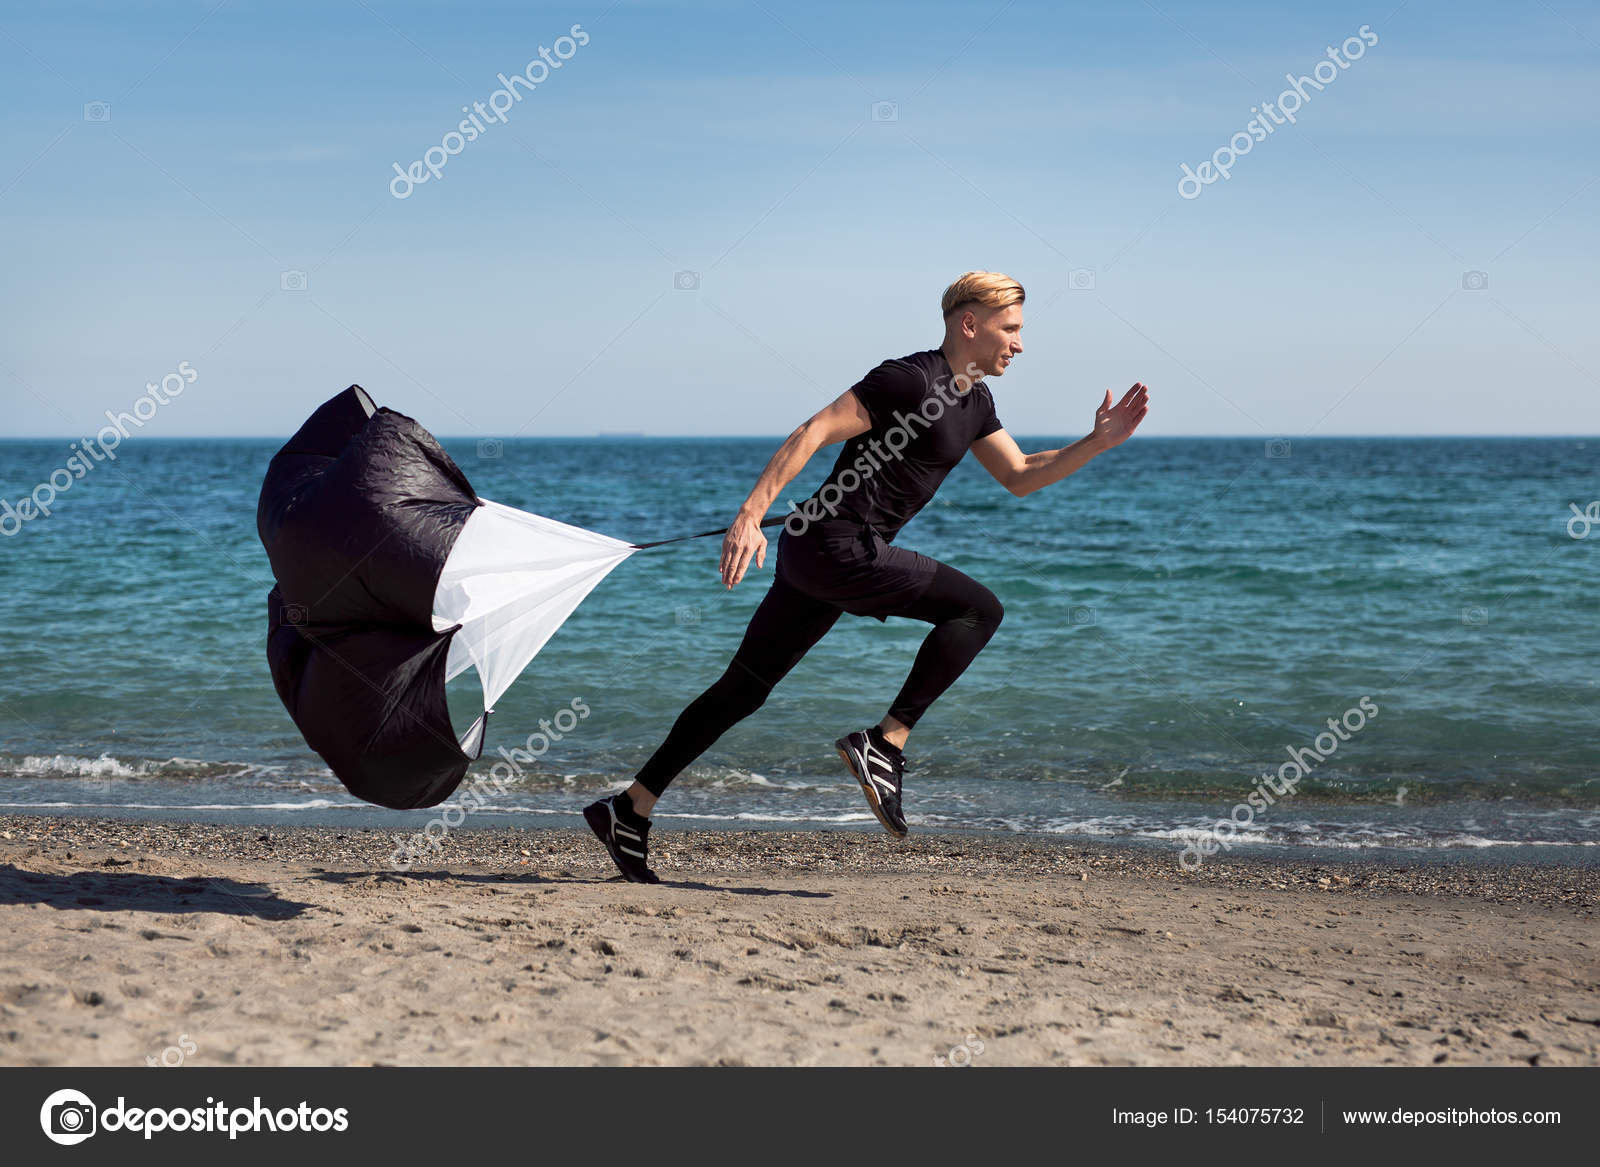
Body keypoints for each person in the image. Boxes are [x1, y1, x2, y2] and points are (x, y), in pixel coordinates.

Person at [584, 271, 1150, 882]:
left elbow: (1019, 473)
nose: (1019, 344)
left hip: (819, 555)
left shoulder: (975, 400)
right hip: (836, 545)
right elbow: (815, 430)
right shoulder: (909, 378)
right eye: (1010, 329)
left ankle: (630, 809)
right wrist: (748, 515)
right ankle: (885, 743)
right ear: (970, 324)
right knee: (979, 610)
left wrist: (1096, 443)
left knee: (743, 689)